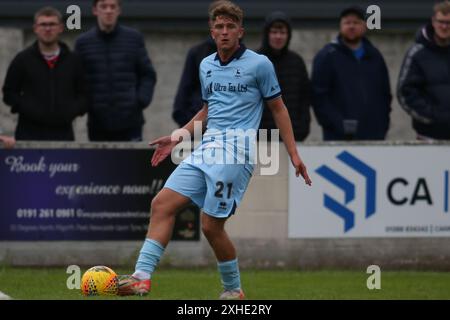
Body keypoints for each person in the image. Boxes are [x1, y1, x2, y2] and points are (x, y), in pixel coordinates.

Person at [117, 1, 311, 299]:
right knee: (162, 204)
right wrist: (177, 137)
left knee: (210, 226)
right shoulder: (206, 65)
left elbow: (279, 109)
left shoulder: (260, 65)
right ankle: (141, 279)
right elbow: (208, 111)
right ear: (212, 31)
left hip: (236, 154)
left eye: (230, 27)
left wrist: (294, 154)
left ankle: (233, 290)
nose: (224, 32)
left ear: (240, 32)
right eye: (219, 27)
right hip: (207, 149)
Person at [75, 0, 157, 142]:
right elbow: (76, 79)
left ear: (119, 10)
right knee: (99, 164)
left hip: (131, 122)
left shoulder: (133, 39)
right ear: (95, 10)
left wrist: (140, 100)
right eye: (104, 6)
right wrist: (86, 104)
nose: (108, 11)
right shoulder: (83, 43)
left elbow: (147, 74)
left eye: (113, 7)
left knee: (131, 164)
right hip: (97, 123)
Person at [2, 7, 87, 141]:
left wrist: (70, 112)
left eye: (52, 24)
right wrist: (29, 110)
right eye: (43, 24)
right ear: (35, 28)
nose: (48, 29)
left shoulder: (73, 61)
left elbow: (84, 94)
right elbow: (9, 93)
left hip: (63, 134)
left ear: (60, 28)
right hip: (28, 134)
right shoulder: (22, 60)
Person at [311, 6, 392, 141]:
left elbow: (385, 94)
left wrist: (383, 124)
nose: (351, 26)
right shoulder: (327, 56)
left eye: (356, 22)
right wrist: (338, 125)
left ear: (364, 26)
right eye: (347, 23)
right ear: (340, 26)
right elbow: (319, 97)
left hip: (374, 137)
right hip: (338, 138)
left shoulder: (375, 56)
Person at [397, 0, 450, 141]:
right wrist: (432, 117)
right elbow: (405, 92)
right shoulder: (417, 53)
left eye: (448, 23)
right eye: (441, 21)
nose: (444, 27)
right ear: (433, 21)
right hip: (428, 137)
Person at [257, 11, 311, 142]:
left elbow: (305, 99)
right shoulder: (255, 61)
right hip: (261, 138)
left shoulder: (297, 62)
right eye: (274, 32)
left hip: (292, 135)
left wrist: (302, 129)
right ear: (267, 34)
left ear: (288, 35)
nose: (278, 36)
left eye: (282, 33)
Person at [172, 1, 220, 127]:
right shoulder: (198, 53)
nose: (223, 30)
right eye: (217, 21)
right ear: (210, 23)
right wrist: (186, 123)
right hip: (198, 124)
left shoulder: (246, 58)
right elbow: (185, 89)